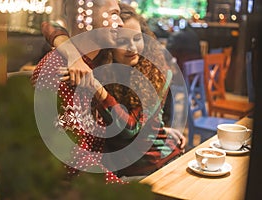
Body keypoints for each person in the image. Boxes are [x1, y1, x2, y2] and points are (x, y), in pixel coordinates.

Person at [34, 2, 186, 181]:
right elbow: (72, 160)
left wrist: (159, 129)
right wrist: (72, 55)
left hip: (149, 164)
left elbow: (131, 127)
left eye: (137, 38)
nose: (120, 23)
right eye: (114, 14)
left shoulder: (150, 70)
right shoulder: (86, 66)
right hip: (111, 173)